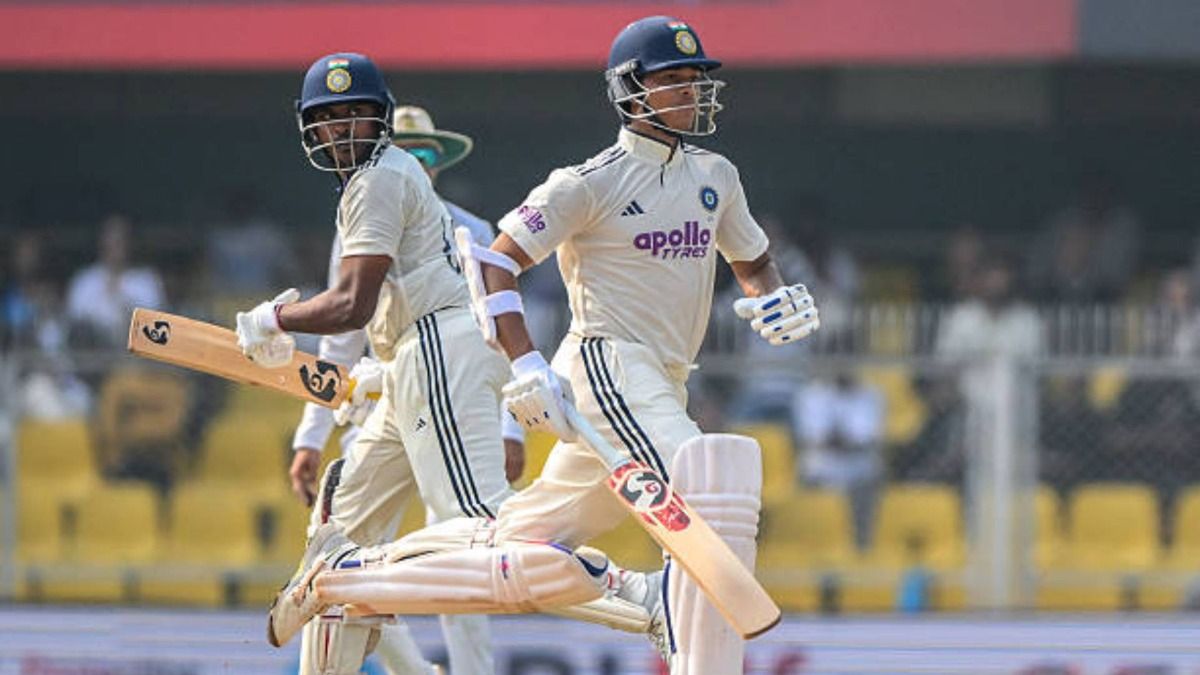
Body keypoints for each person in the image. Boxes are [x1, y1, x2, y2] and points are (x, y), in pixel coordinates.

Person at [265, 19, 820, 675]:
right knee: (703, 479)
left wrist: (770, 296)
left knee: (516, 541)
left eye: (698, 79)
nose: (694, 91)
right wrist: (526, 363)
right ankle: (675, 626)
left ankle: (351, 570)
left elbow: (751, 257)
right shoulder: (586, 182)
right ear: (632, 90)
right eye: (676, 79)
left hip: (663, 378)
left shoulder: (716, 177)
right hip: (607, 364)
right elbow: (494, 265)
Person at [236, 53, 516, 673]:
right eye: (328, 118)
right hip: (406, 369)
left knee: (480, 532)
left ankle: (631, 598)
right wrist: (336, 409)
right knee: (334, 543)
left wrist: (272, 320)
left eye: (355, 115)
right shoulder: (366, 192)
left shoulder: (383, 181)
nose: (341, 129)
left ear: (383, 124)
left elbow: (350, 308)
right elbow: (353, 334)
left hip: (442, 357)